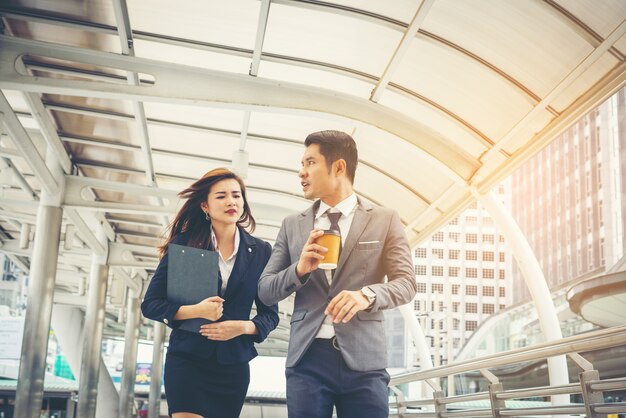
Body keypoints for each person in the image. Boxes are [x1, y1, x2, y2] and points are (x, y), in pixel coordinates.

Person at [258, 130, 417, 418]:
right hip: (307, 360)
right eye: (302, 165)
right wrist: (299, 270)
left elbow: (406, 283)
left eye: (310, 163)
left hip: (364, 363)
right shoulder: (293, 225)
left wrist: (366, 295)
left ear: (339, 167)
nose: (301, 172)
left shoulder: (384, 219)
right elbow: (266, 289)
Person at [141, 167, 279, 418]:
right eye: (221, 196)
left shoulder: (260, 251)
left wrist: (243, 327)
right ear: (205, 205)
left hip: (233, 366)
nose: (231, 201)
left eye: (237, 196)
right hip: (188, 360)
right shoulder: (185, 244)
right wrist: (195, 311)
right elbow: (150, 304)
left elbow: (270, 315)